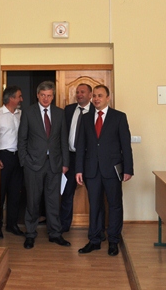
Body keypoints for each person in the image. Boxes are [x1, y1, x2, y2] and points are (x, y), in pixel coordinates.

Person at [76, 85, 133, 256]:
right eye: (94, 96)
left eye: (100, 95)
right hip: (91, 170)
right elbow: (81, 145)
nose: (96, 99)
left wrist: (128, 169)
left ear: (108, 97)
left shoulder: (119, 117)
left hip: (112, 169)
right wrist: (79, 169)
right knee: (95, 205)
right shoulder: (86, 118)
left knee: (114, 205)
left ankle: (113, 240)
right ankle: (94, 239)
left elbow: (126, 145)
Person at [18, 81, 70, 249]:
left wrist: (65, 163)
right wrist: (24, 161)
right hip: (33, 164)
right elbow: (22, 138)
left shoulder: (59, 113)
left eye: (49, 96)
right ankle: (30, 233)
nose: (46, 99)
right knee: (33, 201)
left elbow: (63, 140)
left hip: (55, 164)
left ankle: (55, 233)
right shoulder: (28, 112)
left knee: (53, 201)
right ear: (37, 95)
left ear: (53, 96)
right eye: (43, 95)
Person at [60, 83, 94, 234]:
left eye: (83, 92)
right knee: (67, 193)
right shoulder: (68, 110)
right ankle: (63, 226)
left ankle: (96, 229)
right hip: (71, 158)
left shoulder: (95, 111)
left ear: (90, 95)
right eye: (77, 92)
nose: (79, 94)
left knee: (94, 195)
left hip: (89, 159)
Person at [0, 85, 24, 239]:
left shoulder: (21, 114)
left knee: (15, 193)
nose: (21, 99)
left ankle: (12, 225)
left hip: (18, 157)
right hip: (2, 157)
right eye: (19, 96)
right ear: (11, 98)